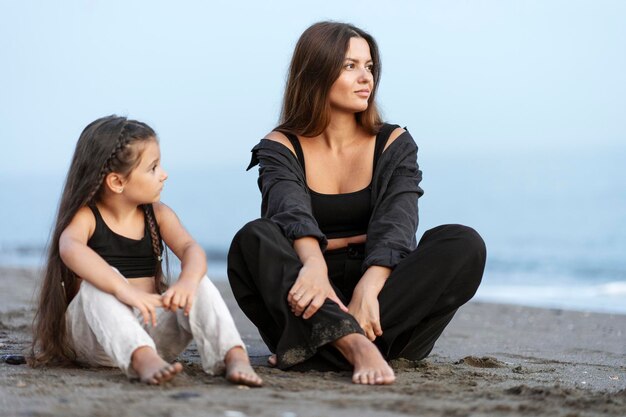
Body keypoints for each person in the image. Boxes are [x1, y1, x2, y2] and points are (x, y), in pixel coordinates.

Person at [228, 21, 486, 386]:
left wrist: (370, 285)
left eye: (369, 67)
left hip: (384, 302)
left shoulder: (394, 142)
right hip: (309, 295)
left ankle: (321, 351)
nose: (366, 78)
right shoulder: (280, 147)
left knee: (463, 242)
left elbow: (398, 221)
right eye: (350, 66)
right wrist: (315, 264)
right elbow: (288, 211)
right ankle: (357, 347)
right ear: (316, 71)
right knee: (253, 238)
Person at [30, 115, 262, 387]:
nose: (164, 174)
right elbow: (70, 248)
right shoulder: (87, 218)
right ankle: (141, 359)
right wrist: (121, 288)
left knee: (199, 283)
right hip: (94, 337)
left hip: (151, 333)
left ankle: (232, 355)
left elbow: (191, 249)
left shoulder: (158, 215)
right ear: (117, 182)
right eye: (153, 168)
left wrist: (187, 283)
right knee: (96, 286)